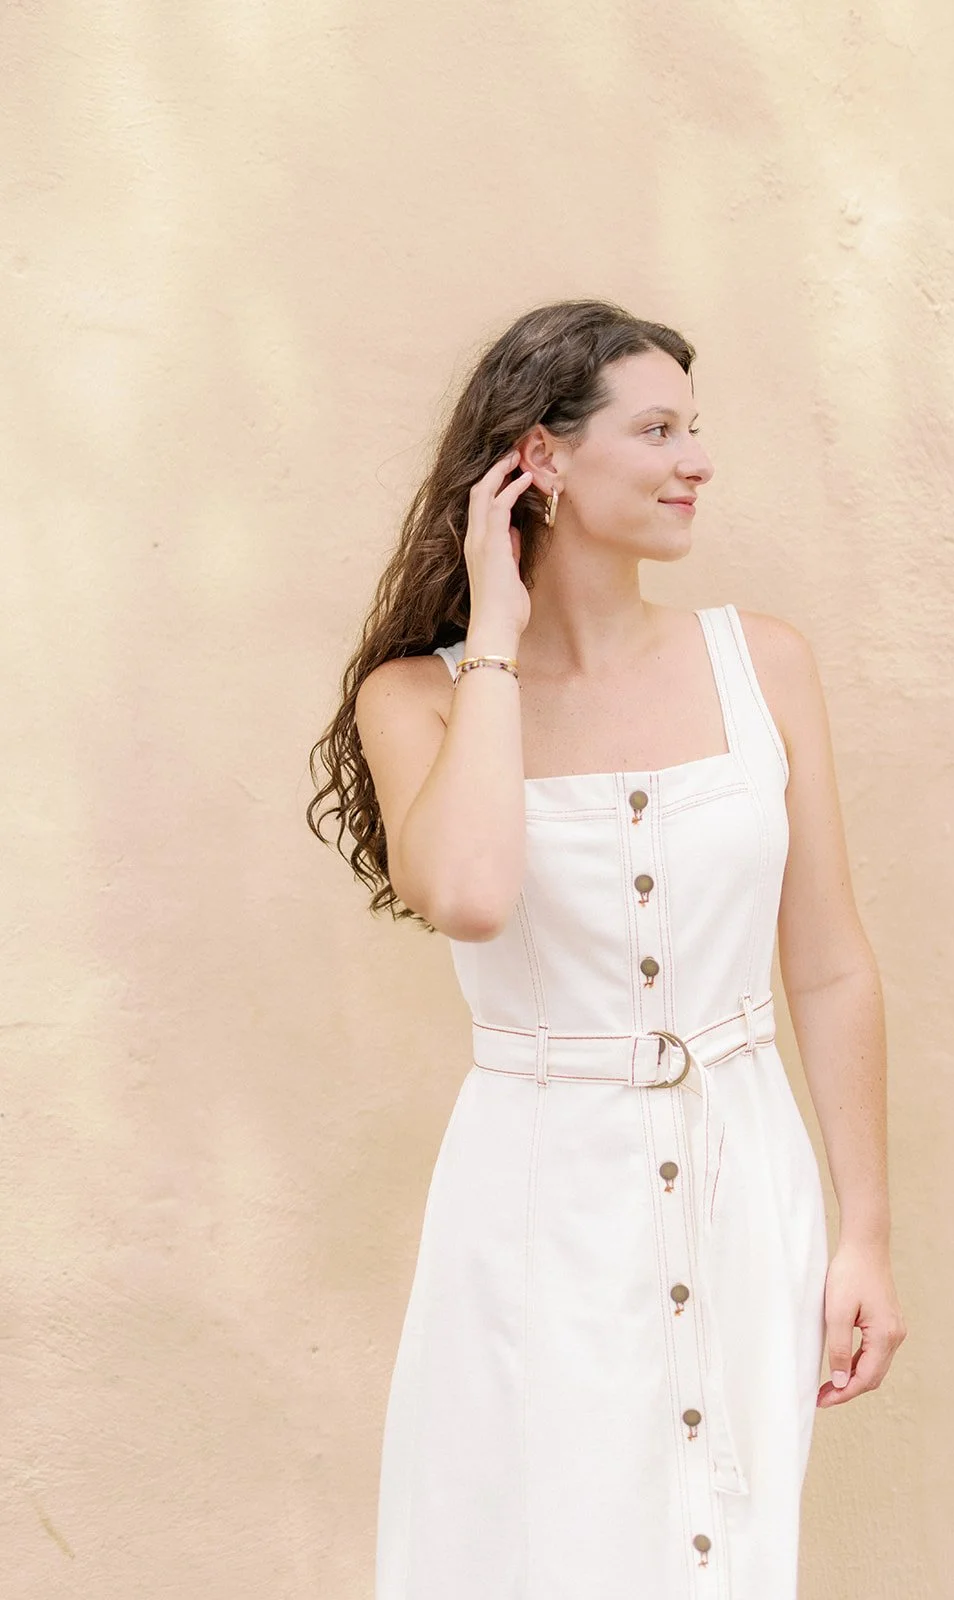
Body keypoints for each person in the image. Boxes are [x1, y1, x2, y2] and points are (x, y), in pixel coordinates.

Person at [307, 298, 906, 1599]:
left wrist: (865, 1233)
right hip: (537, 1191)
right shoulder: (418, 696)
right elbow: (467, 894)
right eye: (658, 430)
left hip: (749, 1181)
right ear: (544, 459)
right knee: (536, 1542)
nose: (697, 460)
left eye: (697, 430)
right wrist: (499, 648)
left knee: (724, 1548)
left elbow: (830, 963)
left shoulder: (768, 666)